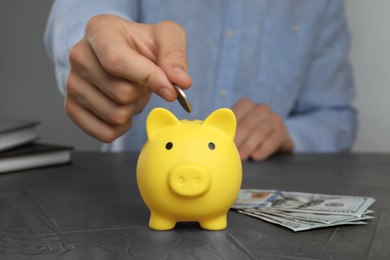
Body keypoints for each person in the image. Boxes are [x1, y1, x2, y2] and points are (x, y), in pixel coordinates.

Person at [44, 0, 357, 161]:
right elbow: (84, 9)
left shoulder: (320, 4)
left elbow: (336, 117)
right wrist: (92, 41)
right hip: (133, 199)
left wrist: (290, 134)